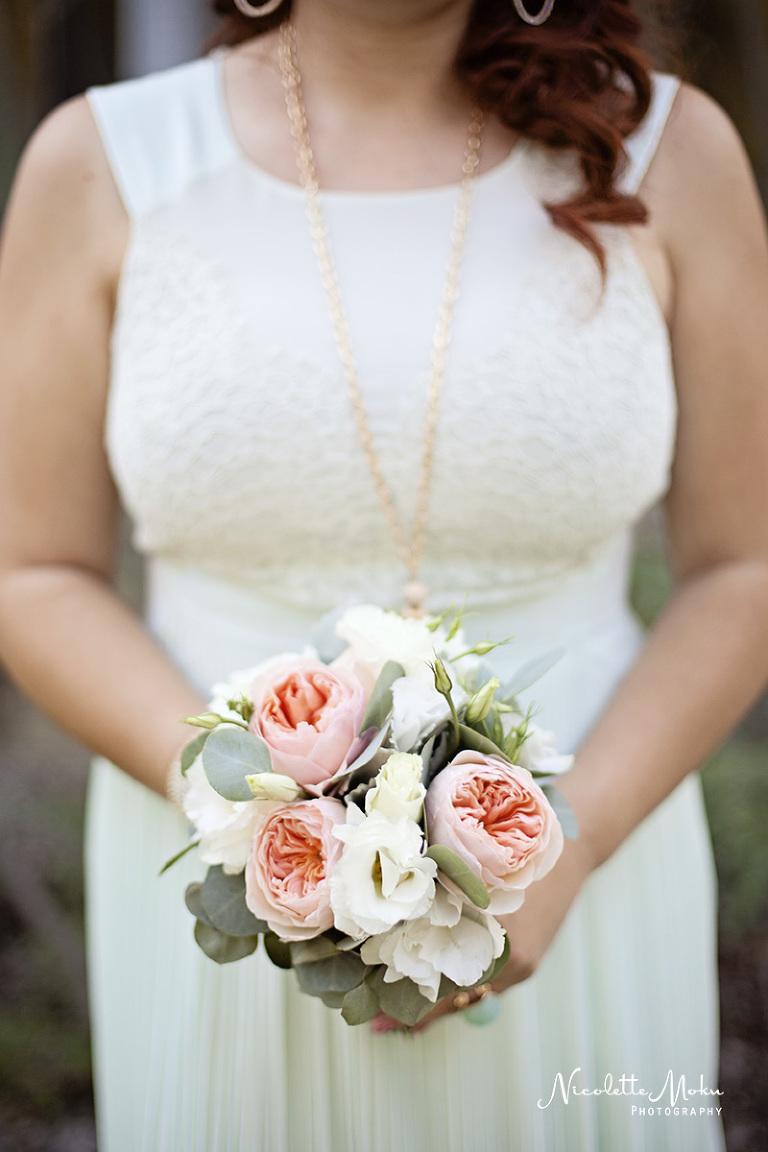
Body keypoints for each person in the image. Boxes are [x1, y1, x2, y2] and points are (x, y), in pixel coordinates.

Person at [1, 0, 767, 1146]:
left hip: (586, 860)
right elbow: (31, 571)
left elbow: (746, 566)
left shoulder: (674, 151)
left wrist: (577, 842)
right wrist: (253, 817)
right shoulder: (100, 162)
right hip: (228, 889)